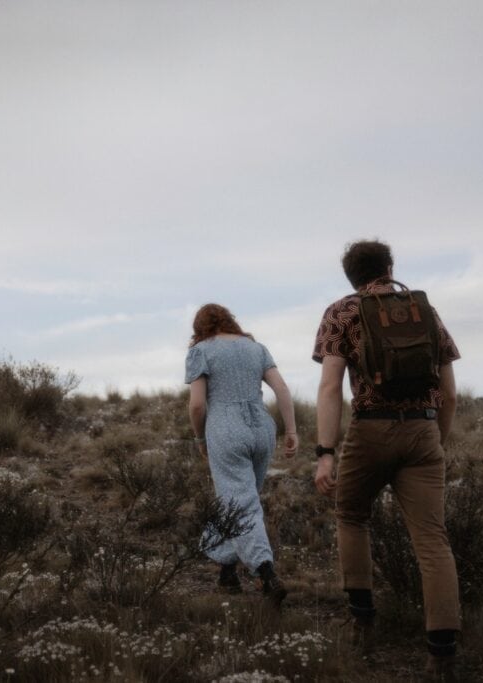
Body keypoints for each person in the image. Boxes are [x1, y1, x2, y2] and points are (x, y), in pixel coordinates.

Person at [312, 240, 461, 679]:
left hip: (371, 427)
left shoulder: (342, 311)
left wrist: (325, 453)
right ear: (390, 267)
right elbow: (450, 392)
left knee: (352, 514)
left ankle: (361, 621)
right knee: (433, 541)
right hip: (424, 429)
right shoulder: (424, 311)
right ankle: (442, 651)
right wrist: (436, 438)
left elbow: (329, 388)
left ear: (351, 276)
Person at [185, 303, 298, 606]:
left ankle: (266, 572)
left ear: (200, 328)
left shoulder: (201, 351)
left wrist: (199, 437)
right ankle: (227, 572)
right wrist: (291, 430)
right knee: (240, 500)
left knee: (239, 502)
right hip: (261, 429)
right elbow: (282, 389)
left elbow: (197, 405)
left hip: (225, 429)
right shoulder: (256, 348)